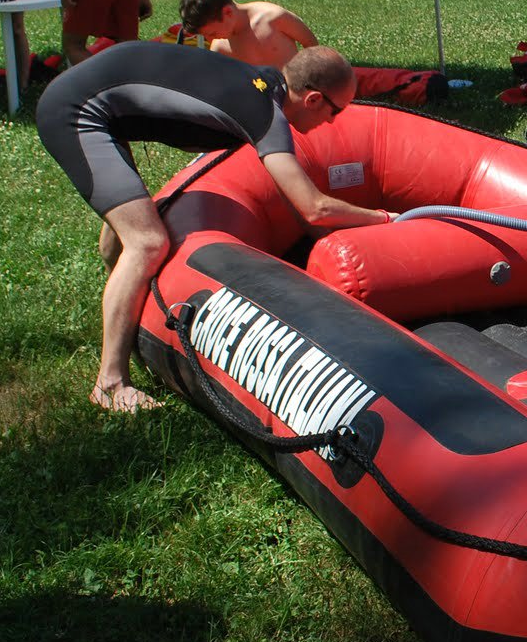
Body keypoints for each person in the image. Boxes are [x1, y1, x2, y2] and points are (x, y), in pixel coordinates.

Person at [36, 43, 392, 412]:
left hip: (98, 95)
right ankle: (110, 384)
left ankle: (130, 325)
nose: (332, 123)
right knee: (146, 241)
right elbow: (314, 207)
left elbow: (298, 205)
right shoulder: (264, 112)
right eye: (336, 112)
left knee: (126, 235)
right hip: (79, 111)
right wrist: (384, 218)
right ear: (315, 99)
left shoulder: (264, 83)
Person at [178, 0, 317, 68]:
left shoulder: (273, 18)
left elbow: (311, 44)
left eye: (212, 33)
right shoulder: (220, 48)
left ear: (228, 13)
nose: (210, 39)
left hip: (294, 98)